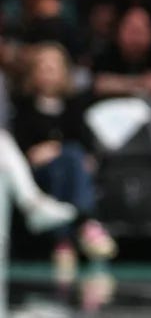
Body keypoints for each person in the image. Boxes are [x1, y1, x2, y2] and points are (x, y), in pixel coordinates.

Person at [12, 42, 117, 271]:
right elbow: (19, 152)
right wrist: (43, 153)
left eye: (54, 67)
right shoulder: (23, 108)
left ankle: (63, 240)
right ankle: (86, 222)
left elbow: (88, 146)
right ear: (33, 73)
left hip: (69, 172)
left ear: (63, 72)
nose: (48, 73)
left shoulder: (74, 107)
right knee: (68, 158)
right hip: (38, 175)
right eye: (43, 67)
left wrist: (62, 152)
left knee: (70, 159)